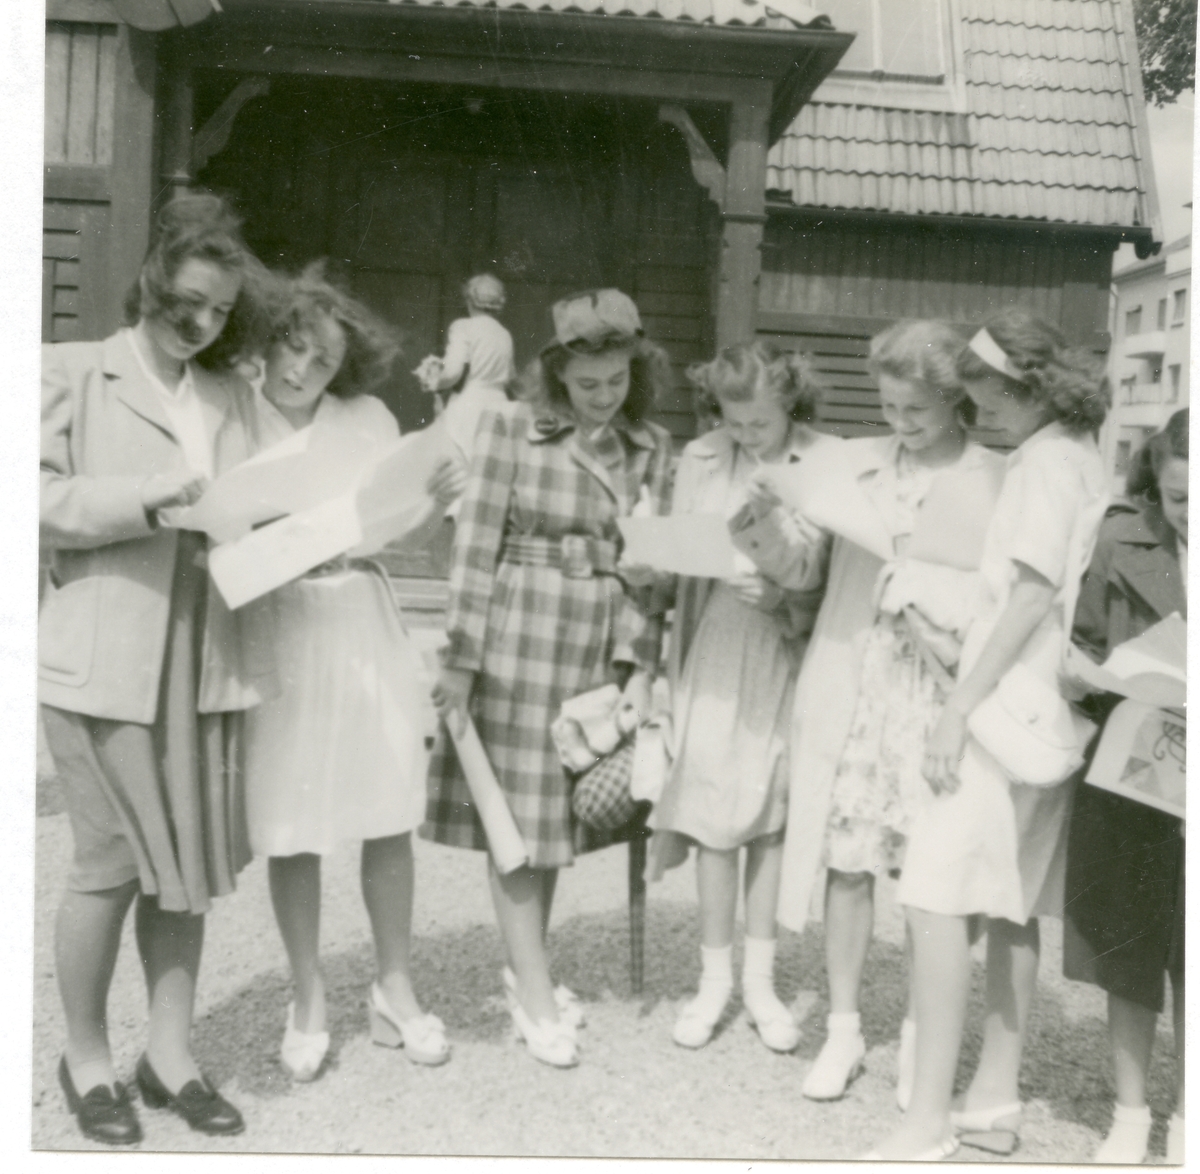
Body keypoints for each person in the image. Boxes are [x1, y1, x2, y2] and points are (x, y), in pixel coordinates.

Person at [40, 193, 276, 1144]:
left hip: (203, 653)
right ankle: (87, 1059)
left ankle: (169, 1056)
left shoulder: (228, 396)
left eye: (219, 311)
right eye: (187, 302)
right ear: (150, 284)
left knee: (187, 871)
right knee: (107, 866)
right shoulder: (72, 371)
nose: (201, 323)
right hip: (106, 653)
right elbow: (33, 498)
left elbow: (261, 498)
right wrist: (146, 497)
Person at [868, 308, 1110, 1161]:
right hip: (1046, 717)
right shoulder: (1080, 455)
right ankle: (993, 1097)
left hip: (1001, 714)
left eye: (989, 393)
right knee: (1011, 905)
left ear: (1025, 386)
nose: (981, 409)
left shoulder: (1041, 467)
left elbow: (1032, 594)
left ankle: (927, 1119)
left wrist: (956, 706)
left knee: (933, 899)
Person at [744, 322, 1004, 1104]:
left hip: (938, 692)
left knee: (938, 873)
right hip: (857, 681)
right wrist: (767, 526)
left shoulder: (994, 477)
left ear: (956, 401)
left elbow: (1004, 596)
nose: (899, 422)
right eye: (888, 406)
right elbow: (807, 573)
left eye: (915, 410)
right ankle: (844, 1027)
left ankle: (925, 1031)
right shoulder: (854, 463)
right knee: (848, 860)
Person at [424, 289, 673, 1068]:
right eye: (588, 382)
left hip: (596, 642)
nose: (604, 395)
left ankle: (526, 967)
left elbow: (652, 572)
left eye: (618, 380)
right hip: (518, 635)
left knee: (554, 822)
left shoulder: (650, 446)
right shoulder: (510, 427)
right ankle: (533, 990)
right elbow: (474, 548)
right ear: (558, 371)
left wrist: (640, 665)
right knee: (518, 823)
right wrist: (461, 659)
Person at [241, 266, 465, 1082]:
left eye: (325, 360)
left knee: (386, 807)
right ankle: (307, 994)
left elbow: (397, 531)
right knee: (292, 819)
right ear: (269, 340)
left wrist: (434, 502)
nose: (302, 369)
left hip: (361, 616)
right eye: (293, 347)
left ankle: (393, 987)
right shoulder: (235, 413)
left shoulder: (367, 419)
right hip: (282, 624)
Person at [650, 341, 834, 1054]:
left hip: (788, 645)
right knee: (713, 813)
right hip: (719, 640)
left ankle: (760, 982)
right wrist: (656, 557)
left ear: (791, 403)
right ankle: (714, 981)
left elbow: (833, 572)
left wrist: (786, 596)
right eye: (735, 422)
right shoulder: (701, 458)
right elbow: (678, 554)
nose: (748, 435)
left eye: (761, 422)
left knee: (770, 815)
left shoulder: (822, 459)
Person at [1062, 410, 1187, 1164]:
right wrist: (1087, 677)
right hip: (1138, 771)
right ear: (1156, 485)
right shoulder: (1122, 540)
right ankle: (1131, 1111)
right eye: (1180, 499)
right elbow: (1080, 641)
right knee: (1131, 943)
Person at [419, 274, 515, 463]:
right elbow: (511, 377)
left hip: (470, 407)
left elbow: (453, 372)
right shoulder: (504, 334)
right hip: (500, 407)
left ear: (469, 301)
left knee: (459, 463)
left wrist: (434, 381)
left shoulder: (463, 327)